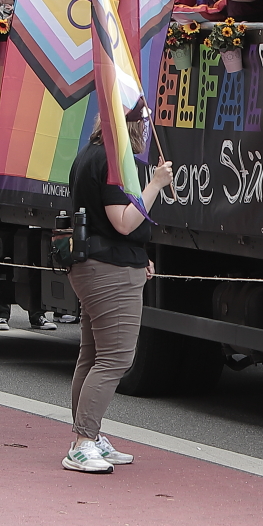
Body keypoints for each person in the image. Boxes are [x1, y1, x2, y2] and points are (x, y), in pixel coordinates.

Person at [63, 117, 173, 473]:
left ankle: (88, 436)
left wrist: (138, 255)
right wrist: (156, 183)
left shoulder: (89, 155)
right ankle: (83, 441)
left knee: (93, 355)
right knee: (115, 359)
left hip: (94, 263)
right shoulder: (112, 161)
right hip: (110, 270)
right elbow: (123, 222)